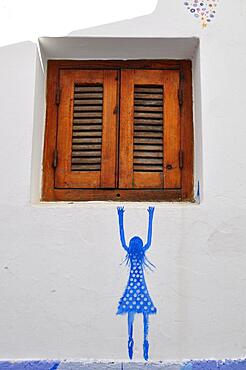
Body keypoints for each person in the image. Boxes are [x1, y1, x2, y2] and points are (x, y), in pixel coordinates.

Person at [116, 206, 156, 361]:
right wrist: (151, 215)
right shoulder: (142, 251)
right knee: (145, 312)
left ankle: (130, 337)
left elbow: (122, 237)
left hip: (133, 286)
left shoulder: (130, 251)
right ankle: (144, 338)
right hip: (140, 286)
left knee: (131, 312)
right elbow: (149, 237)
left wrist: (120, 216)